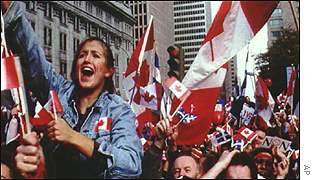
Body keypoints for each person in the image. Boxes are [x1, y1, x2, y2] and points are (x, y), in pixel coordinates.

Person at [2, 1, 142, 178]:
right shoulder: (59, 92)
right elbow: (34, 57)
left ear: (108, 71)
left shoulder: (119, 111)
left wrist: (73, 137)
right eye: (82, 55)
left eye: (95, 55)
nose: (86, 59)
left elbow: (131, 165)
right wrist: (11, 9)